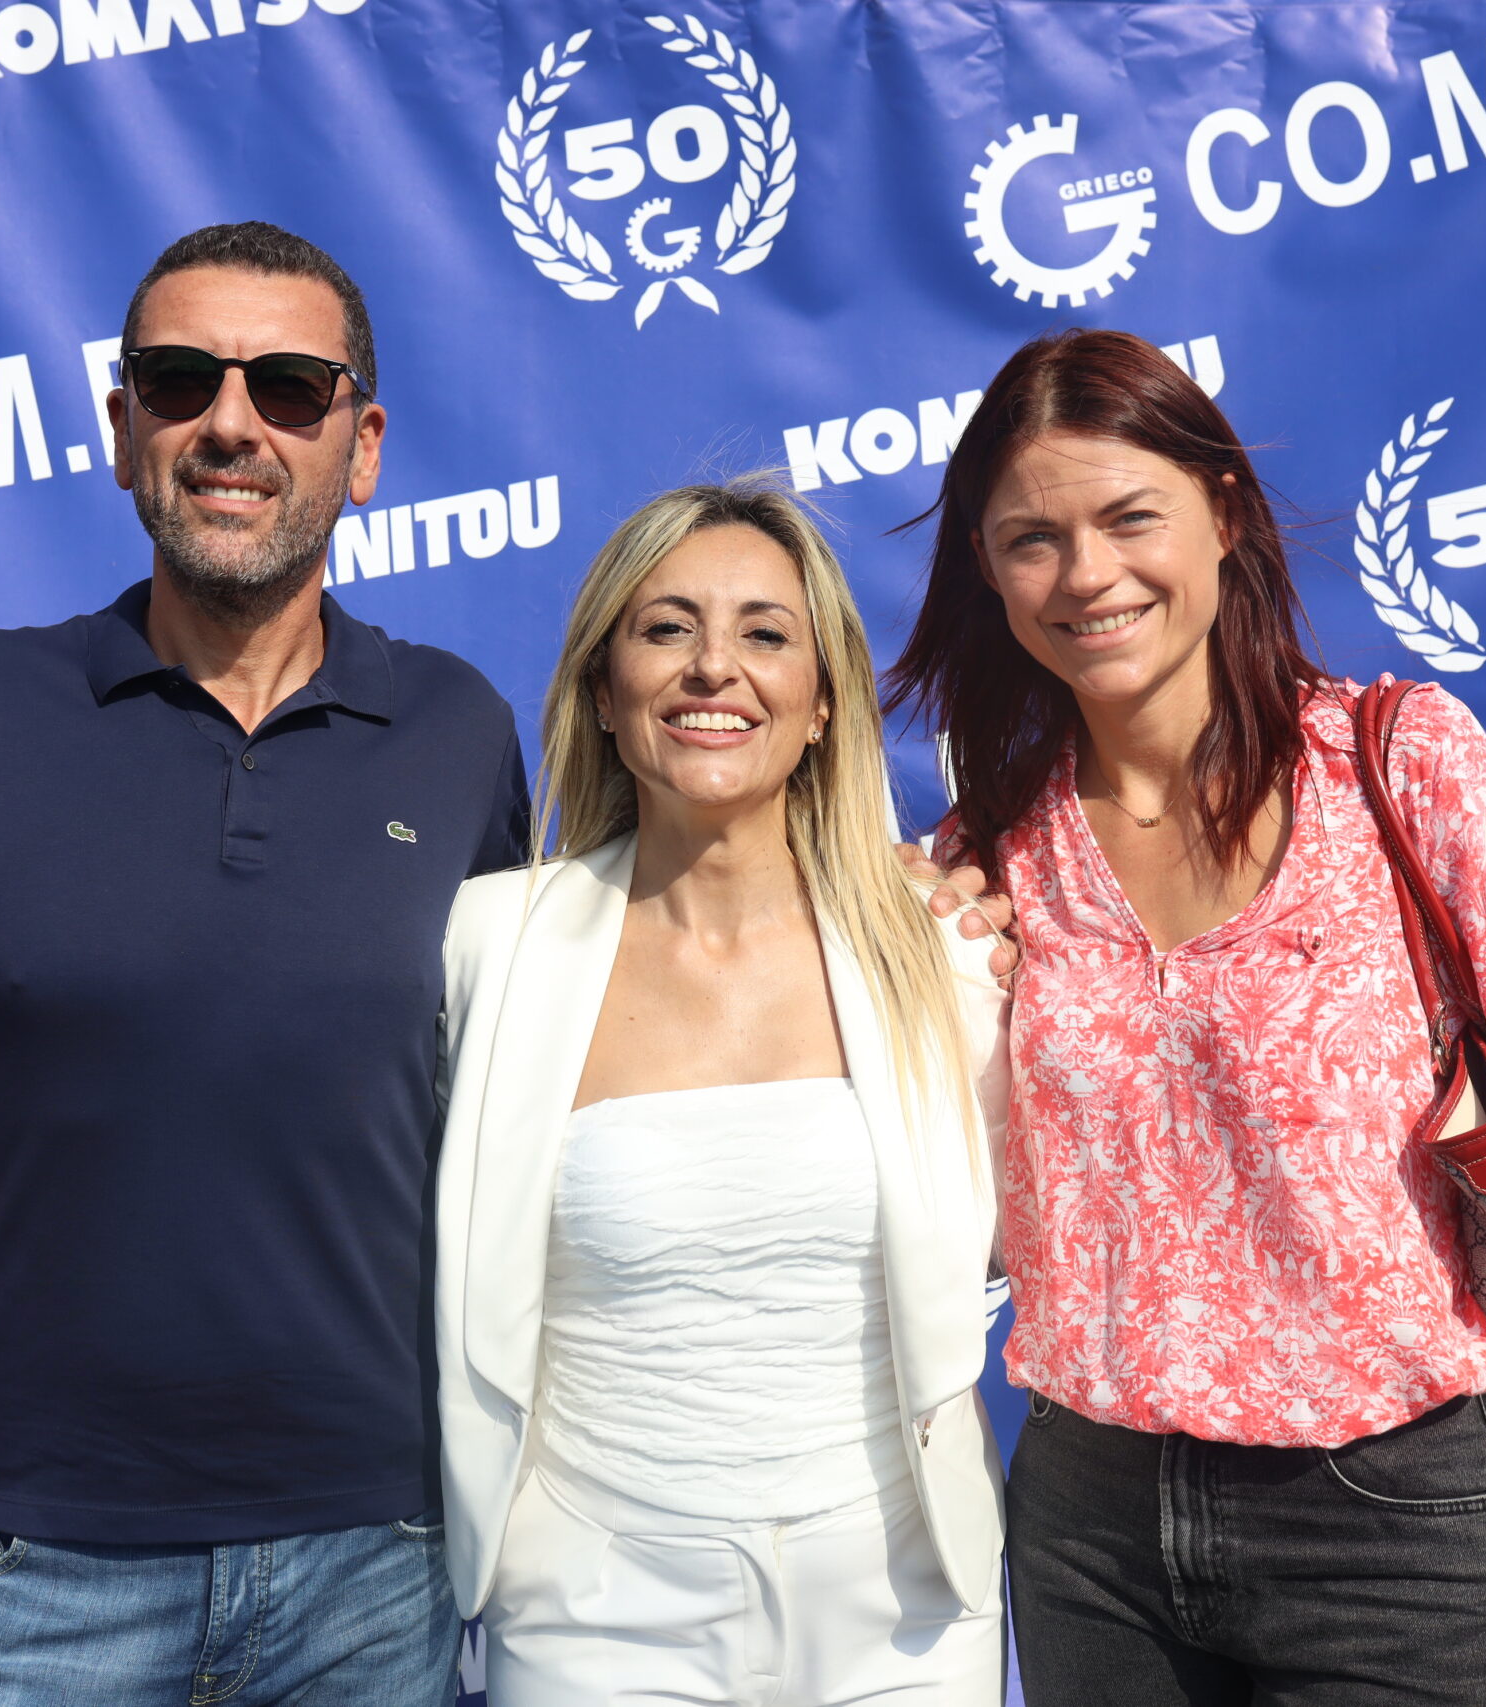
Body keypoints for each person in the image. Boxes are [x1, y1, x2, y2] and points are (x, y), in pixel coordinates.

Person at [0, 223, 531, 1705]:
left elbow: (530, 1105)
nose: (232, 422)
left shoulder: (459, 731)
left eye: (289, 386)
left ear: (363, 445)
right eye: (181, 379)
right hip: (40, 1575)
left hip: (381, 1566)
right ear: (122, 426)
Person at [885, 329, 1486, 1707]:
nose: (1087, 573)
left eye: (1129, 517)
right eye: (1032, 538)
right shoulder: (981, 863)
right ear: (987, 570)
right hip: (1087, 1530)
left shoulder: (1399, 764)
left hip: (1385, 1535)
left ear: (1224, 514)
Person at [433, 482, 1011, 1706]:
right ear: (603, 690)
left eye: (763, 633)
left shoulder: (940, 947)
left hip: (906, 1616)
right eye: (665, 629)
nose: (713, 668)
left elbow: (1027, 1242)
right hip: (594, 1614)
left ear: (822, 701)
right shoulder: (489, 945)